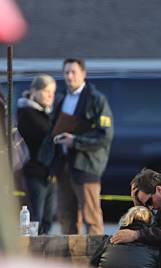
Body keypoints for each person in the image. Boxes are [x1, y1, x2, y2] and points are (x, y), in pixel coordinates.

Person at [39, 58, 113, 235]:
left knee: (91, 218)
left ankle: (96, 259)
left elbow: (105, 135)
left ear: (83, 74)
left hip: (86, 166)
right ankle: (71, 261)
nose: (69, 76)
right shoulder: (61, 99)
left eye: (73, 72)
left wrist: (76, 141)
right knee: (66, 216)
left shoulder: (96, 100)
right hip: (63, 166)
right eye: (66, 72)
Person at [17, 74, 57, 235]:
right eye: (47, 91)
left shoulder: (46, 113)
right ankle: (32, 255)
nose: (50, 96)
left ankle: (43, 254)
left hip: (49, 174)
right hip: (34, 173)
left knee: (48, 220)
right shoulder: (27, 113)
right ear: (34, 91)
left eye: (53, 92)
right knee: (35, 219)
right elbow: (47, 135)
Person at [95, 206, 159, 268]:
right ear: (151, 222)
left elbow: (93, 264)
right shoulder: (155, 245)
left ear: (126, 218)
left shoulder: (111, 239)